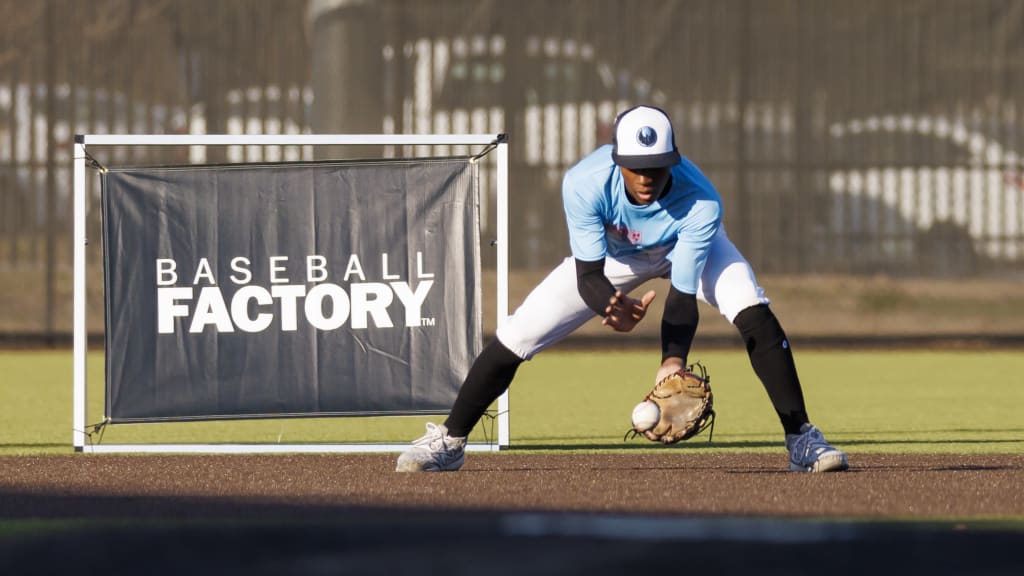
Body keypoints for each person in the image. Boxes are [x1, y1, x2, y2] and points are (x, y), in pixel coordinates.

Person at [396, 105, 848, 473]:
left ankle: (802, 438)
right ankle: (450, 441)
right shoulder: (584, 183)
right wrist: (609, 306)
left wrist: (671, 365)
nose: (646, 176)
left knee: (753, 310)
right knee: (517, 334)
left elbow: (683, 294)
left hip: (688, 249)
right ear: (617, 160)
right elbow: (589, 274)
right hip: (614, 260)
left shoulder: (701, 200)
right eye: (635, 167)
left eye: (657, 166)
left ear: (674, 160)